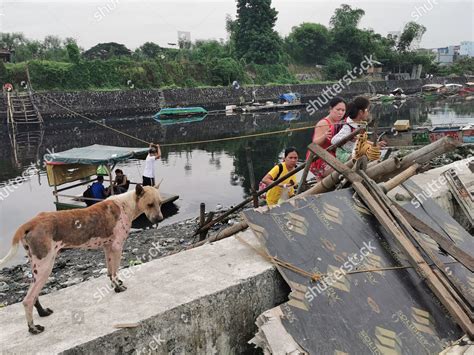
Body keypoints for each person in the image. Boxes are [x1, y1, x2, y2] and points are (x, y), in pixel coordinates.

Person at [307, 97, 346, 179]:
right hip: (319, 159)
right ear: (331, 109)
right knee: (342, 172)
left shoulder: (340, 123)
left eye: (343, 110)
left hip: (332, 157)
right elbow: (314, 143)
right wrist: (324, 136)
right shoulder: (323, 123)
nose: (340, 113)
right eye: (338, 109)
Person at [331, 96, 371, 163]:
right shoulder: (348, 126)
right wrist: (349, 138)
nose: (368, 113)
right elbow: (333, 141)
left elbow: (361, 141)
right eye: (367, 110)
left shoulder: (360, 124)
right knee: (360, 159)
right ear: (361, 112)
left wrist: (376, 144)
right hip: (343, 154)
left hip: (353, 151)